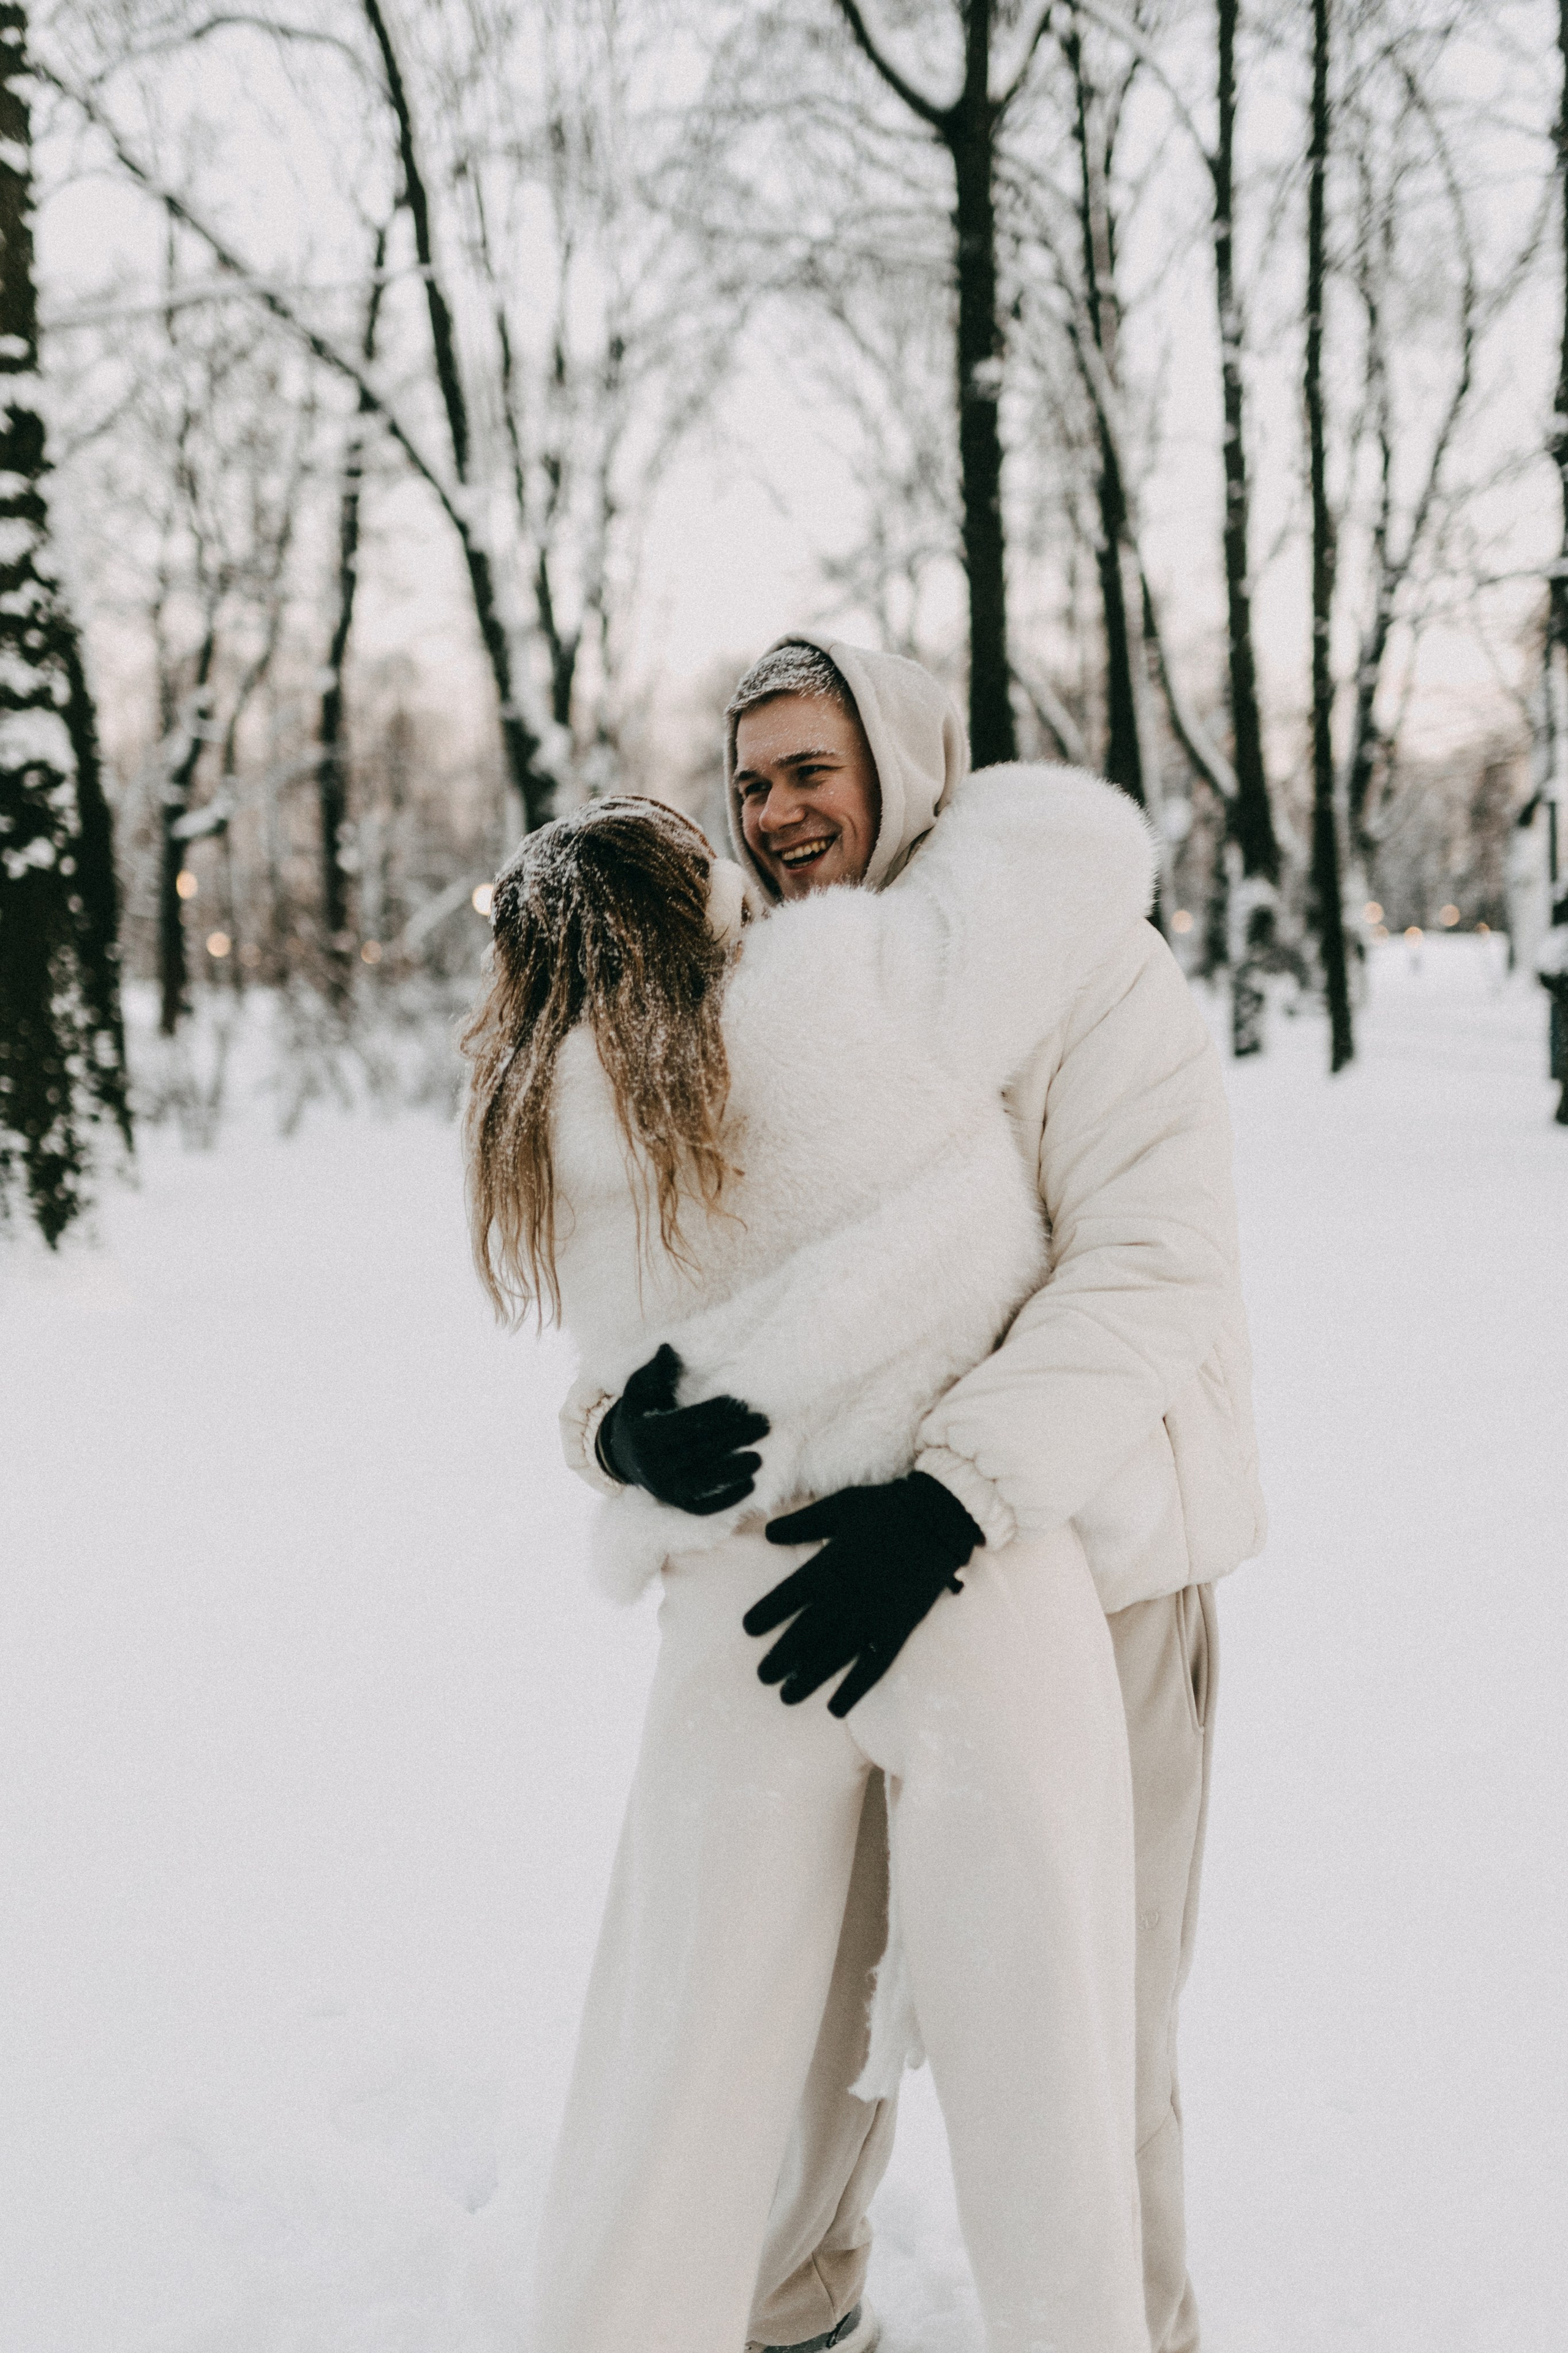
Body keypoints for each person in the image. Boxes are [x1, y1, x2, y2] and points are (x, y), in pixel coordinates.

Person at [562, 638, 1267, 2353]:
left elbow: (1152, 1269)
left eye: (811, 766)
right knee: (795, 2008)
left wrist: (960, 1497)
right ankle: (800, 2315)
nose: (778, 810)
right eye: (750, 782)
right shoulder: (758, 995)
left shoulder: (1098, 976)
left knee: (1086, 2039)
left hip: (1090, 1578)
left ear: (902, 758)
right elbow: (665, 1294)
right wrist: (618, 1436)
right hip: (832, 1590)